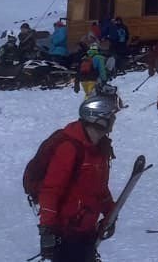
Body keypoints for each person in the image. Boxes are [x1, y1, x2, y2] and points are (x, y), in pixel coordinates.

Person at [36, 95, 118, 262]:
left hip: (87, 229)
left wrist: (110, 212)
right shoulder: (70, 148)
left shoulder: (99, 148)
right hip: (66, 233)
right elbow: (51, 191)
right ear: (99, 120)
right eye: (110, 119)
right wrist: (47, 230)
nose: (111, 126)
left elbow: (99, 187)